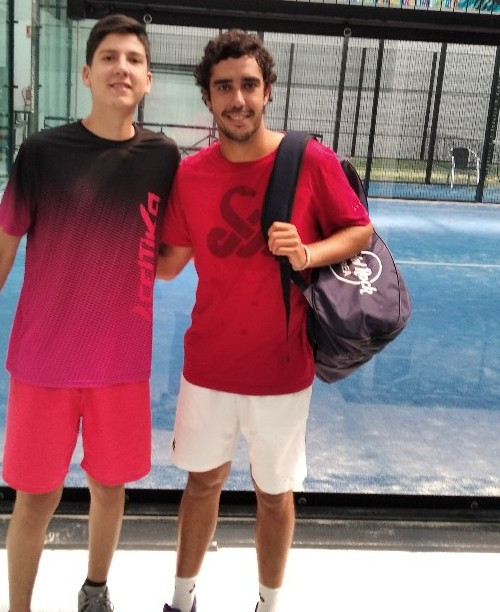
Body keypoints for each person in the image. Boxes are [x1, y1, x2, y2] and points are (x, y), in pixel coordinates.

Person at [0, 14, 180, 612]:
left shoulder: (164, 159)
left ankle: (95, 591)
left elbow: (167, 261)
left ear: (148, 79)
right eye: (109, 57)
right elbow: (0, 252)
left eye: (133, 59)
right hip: (43, 364)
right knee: (36, 498)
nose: (121, 68)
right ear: (86, 73)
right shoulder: (43, 154)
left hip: (120, 366)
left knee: (110, 487)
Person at [157, 30, 373, 612]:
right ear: (208, 97)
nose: (238, 99)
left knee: (275, 494)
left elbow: (360, 230)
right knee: (202, 482)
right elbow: (168, 263)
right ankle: (182, 600)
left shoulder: (310, 161)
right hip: (208, 366)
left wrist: (308, 252)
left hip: (283, 367)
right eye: (224, 87)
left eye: (249, 85)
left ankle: (268, 605)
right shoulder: (190, 176)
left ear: (268, 90)